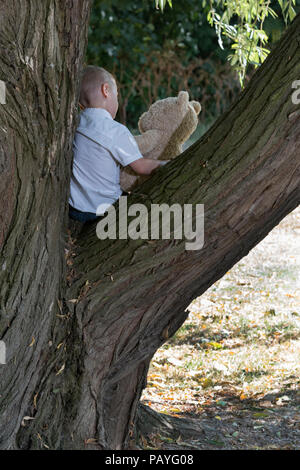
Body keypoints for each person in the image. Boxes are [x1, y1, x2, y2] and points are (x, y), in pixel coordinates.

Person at [69, 65, 168, 223]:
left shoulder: (74, 124)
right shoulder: (115, 131)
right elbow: (142, 167)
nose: (118, 99)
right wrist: (169, 162)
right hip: (105, 208)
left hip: (74, 207)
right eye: (117, 95)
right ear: (106, 90)